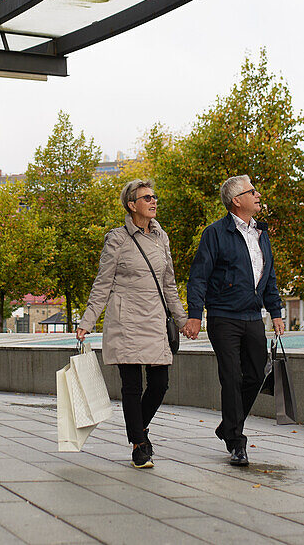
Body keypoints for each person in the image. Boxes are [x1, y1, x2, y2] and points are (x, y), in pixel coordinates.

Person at [76, 179, 189, 469]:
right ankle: (139, 445)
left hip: (154, 319)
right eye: (147, 197)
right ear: (132, 205)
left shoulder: (161, 237)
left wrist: (182, 319)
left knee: (160, 384)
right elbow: (102, 284)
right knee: (131, 385)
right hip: (125, 320)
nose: (154, 201)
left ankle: (138, 429)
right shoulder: (117, 239)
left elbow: (169, 285)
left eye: (154, 197)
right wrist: (87, 321)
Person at [184, 175, 284, 467]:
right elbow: (199, 276)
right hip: (223, 317)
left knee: (255, 375)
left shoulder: (260, 234)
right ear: (236, 200)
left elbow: (269, 276)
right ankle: (237, 442)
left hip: (253, 316)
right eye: (252, 191)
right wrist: (194, 314)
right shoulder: (215, 234)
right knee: (231, 378)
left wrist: (275, 311)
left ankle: (228, 425)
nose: (258, 194)